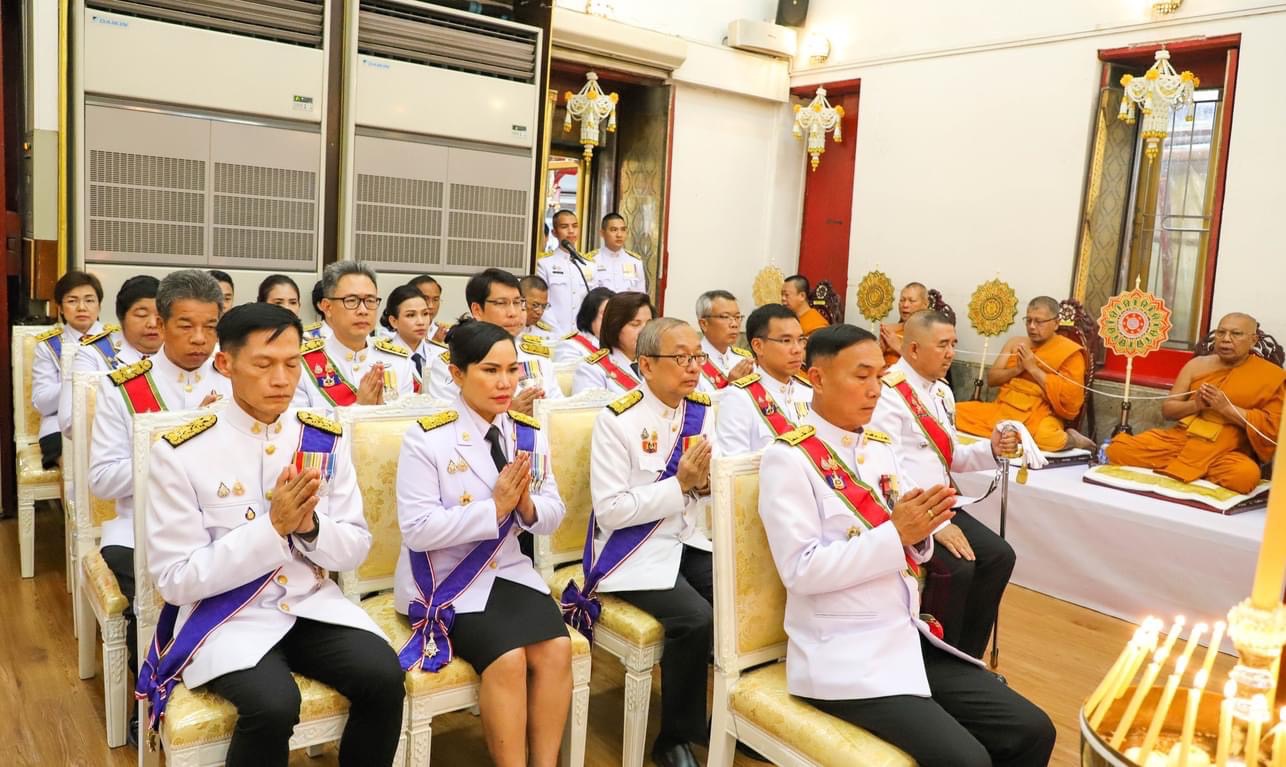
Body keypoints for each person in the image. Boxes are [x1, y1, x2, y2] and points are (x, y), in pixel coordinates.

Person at [758, 324, 1055, 767]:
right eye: (861, 376)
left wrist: (918, 536)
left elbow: (909, 541)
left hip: (902, 636)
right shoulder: (788, 459)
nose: (875, 390)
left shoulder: (878, 448)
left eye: (879, 375)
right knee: (966, 759)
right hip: (843, 653)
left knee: (1033, 730)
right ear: (816, 379)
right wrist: (897, 535)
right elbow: (801, 571)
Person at [141, 302, 404, 766]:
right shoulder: (181, 452)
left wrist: (310, 526)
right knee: (273, 704)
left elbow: (355, 547)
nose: (282, 379)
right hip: (226, 620)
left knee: (383, 676)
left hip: (310, 606)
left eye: (292, 363)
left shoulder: (321, 438)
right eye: (264, 364)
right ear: (226, 364)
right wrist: (273, 528)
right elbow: (176, 579)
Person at [395, 320, 571, 767]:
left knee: (557, 648)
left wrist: (527, 506)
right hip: (444, 578)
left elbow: (553, 514)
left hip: (508, 569)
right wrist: (493, 509)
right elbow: (417, 529)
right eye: (491, 370)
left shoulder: (526, 432)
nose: (505, 382)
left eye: (513, 370)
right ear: (457, 375)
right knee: (509, 658)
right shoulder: (428, 436)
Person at [88, 270, 232, 708]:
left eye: (210, 327)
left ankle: (220, 686)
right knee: (153, 592)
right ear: (162, 324)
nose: (200, 339)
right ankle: (152, 694)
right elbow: (103, 478)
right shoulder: (125, 388)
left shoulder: (235, 380)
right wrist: (177, 442)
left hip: (221, 521)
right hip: (140, 525)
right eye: (186, 326)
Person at [581, 317, 716, 767]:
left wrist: (709, 483)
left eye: (697, 356)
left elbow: (710, 481)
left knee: (736, 600)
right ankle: (674, 738)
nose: (693, 366)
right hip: (630, 551)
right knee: (696, 620)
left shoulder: (700, 408)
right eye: (681, 358)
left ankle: (720, 719)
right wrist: (682, 485)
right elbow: (611, 510)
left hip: (685, 537)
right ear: (646, 364)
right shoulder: (617, 420)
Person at [870, 310, 1017, 659]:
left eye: (953, 344)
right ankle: (934, 660)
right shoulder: (888, 393)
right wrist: (937, 524)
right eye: (943, 345)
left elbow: (948, 458)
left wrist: (991, 450)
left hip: (940, 506)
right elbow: (886, 469)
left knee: (1000, 556)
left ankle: (967, 656)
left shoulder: (941, 393)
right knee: (960, 568)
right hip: (905, 507)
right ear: (914, 349)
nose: (951, 352)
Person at [1106, 313, 1285, 493]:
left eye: (1236, 334)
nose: (1226, 339)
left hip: (1227, 450)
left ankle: (1188, 468)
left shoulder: (1272, 376)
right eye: (1221, 333)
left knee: (1245, 476)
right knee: (1118, 449)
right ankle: (1197, 471)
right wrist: (1195, 405)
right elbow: (1168, 410)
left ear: (1253, 340)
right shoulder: (1197, 365)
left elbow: (1271, 429)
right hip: (1181, 441)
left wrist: (1226, 408)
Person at [956, 296, 1095, 452]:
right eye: (1028, 320)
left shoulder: (1070, 352)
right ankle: (1012, 436)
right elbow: (992, 379)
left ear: (1056, 323)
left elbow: (1071, 399)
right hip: (1003, 409)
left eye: (1039, 322)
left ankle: (1073, 439)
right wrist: (1017, 369)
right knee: (954, 413)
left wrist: (1033, 369)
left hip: (1040, 413)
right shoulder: (1015, 343)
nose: (1032, 327)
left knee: (1047, 439)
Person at [423, 269, 563, 415]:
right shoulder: (451, 363)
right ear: (477, 310)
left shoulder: (537, 358)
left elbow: (559, 412)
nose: (513, 313)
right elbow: (448, 420)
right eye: (501, 303)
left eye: (517, 303)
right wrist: (507, 412)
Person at [293, 262, 414, 409]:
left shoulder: (398, 361)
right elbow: (302, 428)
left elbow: (407, 424)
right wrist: (359, 408)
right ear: (327, 307)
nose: (363, 310)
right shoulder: (301, 364)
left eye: (370, 301)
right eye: (351, 301)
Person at [58, 276, 162, 437]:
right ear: (121, 318)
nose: (153, 324)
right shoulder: (92, 354)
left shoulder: (179, 353)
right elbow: (70, 422)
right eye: (141, 315)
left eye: (160, 316)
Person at [33, 271, 112, 467]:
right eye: (72, 301)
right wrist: (77, 384)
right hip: (59, 427)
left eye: (89, 300)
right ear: (60, 307)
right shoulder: (48, 346)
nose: (82, 307)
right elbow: (42, 402)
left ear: (99, 305)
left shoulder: (117, 339)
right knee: (76, 464)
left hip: (109, 421)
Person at [713, 303, 812, 454]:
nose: (797, 349)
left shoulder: (810, 392)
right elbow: (734, 467)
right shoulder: (739, 397)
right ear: (758, 346)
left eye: (801, 340)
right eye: (786, 341)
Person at [571, 291, 652, 395]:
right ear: (615, 327)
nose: (645, 331)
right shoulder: (592, 370)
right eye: (635, 324)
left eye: (649, 324)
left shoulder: (655, 364)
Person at [535, 209, 592, 335]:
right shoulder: (544, 264)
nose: (571, 231)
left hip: (583, 335)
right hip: (552, 333)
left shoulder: (589, 265)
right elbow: (542, 303)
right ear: (554, 232)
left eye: (575, 226)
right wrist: (558, 332)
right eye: (564, 227)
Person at [695, 290, 754, 390]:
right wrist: (730, 386)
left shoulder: (744, 359)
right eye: (725, 317)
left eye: (737, 317)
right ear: (704, 324)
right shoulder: (692, 362)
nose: (734, 324)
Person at [381, 284, 432, 394]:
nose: (421, 322)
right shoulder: (381, 358)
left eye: (425, 314)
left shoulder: (441, 355)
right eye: (410, 315)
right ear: (393, 321)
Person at [555, 286, 613, 365]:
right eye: (604, 313)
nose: (610, 319)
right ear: (590, 314)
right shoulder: (571, 346)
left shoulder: (618, 346)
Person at [590, 212, 646, 293]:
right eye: (614, 230)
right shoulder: (591, 261)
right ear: (602, 233)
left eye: (623, 230)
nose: (619, 235)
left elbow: (641, 295)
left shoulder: (635, 262)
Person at [880, 282, 932, 368]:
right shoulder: (890, 331)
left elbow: (928, 368)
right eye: (902, 300)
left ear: (925, 304)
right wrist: (881, 349)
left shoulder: (932, 334)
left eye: (912, 301)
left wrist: (898, 348)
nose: (905, 305)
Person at [408, 274, 450, 343]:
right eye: (425, 298)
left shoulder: (446, 333)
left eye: (435, 299)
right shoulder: (394, 332)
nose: (431, 306)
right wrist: (435, 343)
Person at [520, 274, 558, 342]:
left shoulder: (546, 335)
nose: (540, 312)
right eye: (535, 305)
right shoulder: (505, 331)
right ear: (520, 301)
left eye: (544, 306)